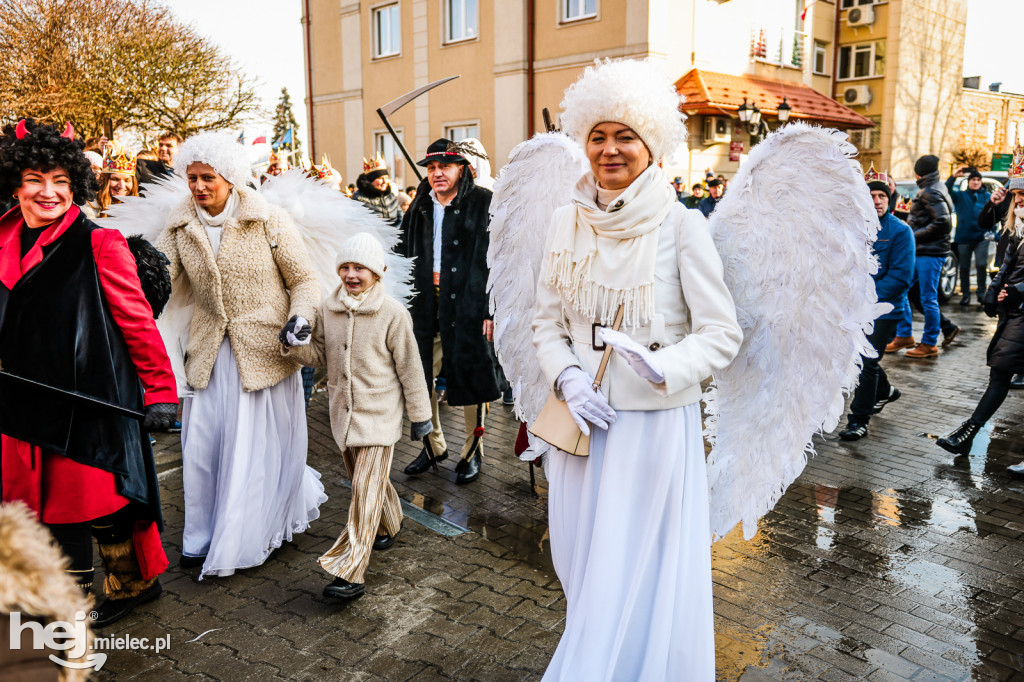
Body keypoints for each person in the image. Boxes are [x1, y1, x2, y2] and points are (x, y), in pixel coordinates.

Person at [531, 60, 742, 680]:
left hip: (650, 432)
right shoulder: (564, 220)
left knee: (635, 569)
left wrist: (663, 366)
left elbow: (721, 334)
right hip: (579, 429)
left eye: (625, 136)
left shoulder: (682, 227)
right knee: (582, 563)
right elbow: (547, 323)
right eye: (598, 136)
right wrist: (568, 378)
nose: (609, 149)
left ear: (651, 146)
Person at [0, 118, 178, 627]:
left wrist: (161, 391)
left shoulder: (99, 243)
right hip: (19, 398)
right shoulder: (2, 237)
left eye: (60, 180)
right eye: (35, 179)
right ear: (16, 182)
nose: (48, 192)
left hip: (88, 396)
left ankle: (118, 588)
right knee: (34, 503)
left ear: (75, 183)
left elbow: (138, 323)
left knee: (92, 499)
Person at [155, 132, 326, 578]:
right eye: (191, 177)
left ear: (230, 178)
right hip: (209, 351)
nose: (198, 186)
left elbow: (305, 280)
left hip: (265, 352)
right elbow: (157, 279)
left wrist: (300, 317)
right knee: (204, 447)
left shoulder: (268, 220)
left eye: (207, 177)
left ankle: (249, 533)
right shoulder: (178, 226)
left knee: (254, 446)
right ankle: (202, 536)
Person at [280, 232, 432, 600]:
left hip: (379, 415)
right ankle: (389, 524)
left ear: (377, 272)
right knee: (370, 485)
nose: (351, 274)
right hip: (342, 416)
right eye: (345, 267)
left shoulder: (393, 314)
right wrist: (294, 344)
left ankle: (350, 571)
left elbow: (411, 367)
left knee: (363, 492)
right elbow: (320, 357)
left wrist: (420, 415)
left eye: (359, 267)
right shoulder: (328, 310)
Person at [398, 138, 502, 485]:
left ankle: (473, 450)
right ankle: (433, 445)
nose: (437, 174)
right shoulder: (419, 206)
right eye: (431, 168)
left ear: (462, 169)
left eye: (444, 166)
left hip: (468, 304)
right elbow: (401, 250)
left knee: (473, 378)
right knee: (419, 373)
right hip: (426, 305)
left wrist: (490, 309)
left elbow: (494, 261)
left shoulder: (482, 202)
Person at [938, 171, 1024, 467]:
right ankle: (967, 436)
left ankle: (968, 434)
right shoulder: (1018, 226)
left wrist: (1017, 292)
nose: (1020, 200)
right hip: (1013, 313)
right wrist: (993, 291)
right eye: (1017, 195)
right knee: (1000, 373)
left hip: (1020, 311)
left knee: (1000, 372)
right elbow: (1007, 264)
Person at [838, 168, 915, 440]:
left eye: (882, 195)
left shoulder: (901, 232)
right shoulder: (854, 229)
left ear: (889, 200)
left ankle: (858, 420)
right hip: (852, 307)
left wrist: (866, 299)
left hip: (884, 309)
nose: (877, 200)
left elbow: (901, 277)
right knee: (852, 356)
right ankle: (884, 391)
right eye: (871, 195)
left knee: (865, 361)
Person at [886, 154, 957, 358]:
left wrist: (911, 236)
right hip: (926, 251)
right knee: (902, 290)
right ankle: (904, 335)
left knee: (927, 298)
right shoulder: (936, 187)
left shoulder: (929, 191)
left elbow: (943, 222)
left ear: (918, 172)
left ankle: (929, 343)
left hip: (930, 252)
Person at [947, 167, 992, 304]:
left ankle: (980, 293)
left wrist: (992, 231)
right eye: (973, 180)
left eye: (978, 180)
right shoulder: (961, 196)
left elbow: (994, 214)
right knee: (965, 267)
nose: (976, 182)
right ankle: (966, 295)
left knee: (981, 264)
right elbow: (947, 189)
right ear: (969, 181)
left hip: (981, 237)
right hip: (964, 237)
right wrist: (953, 176)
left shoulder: (987, 196)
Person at [83, 144, 139, 219]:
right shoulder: (88, 208)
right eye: (115, 179)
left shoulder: (139, 209)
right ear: (104, 180)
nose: (121, 186)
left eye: (127, 180)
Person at [351, 152, 403, 224]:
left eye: (386, 178)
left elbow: (401, 219)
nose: (384, 181)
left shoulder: (391, 197)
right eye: (380, 178)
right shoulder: (358, 199)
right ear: (370, 181)